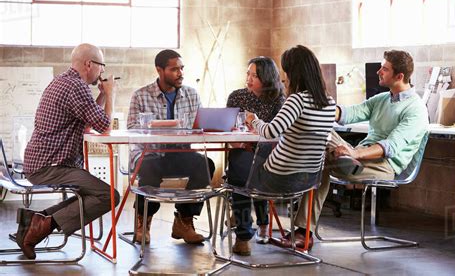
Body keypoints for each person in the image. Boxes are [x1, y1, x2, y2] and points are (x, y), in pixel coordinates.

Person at [285, 49, 429, 250]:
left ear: (400, 76)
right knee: (323, 138)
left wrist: (354, 153)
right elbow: (351, 113)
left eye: (384, 69)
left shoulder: (416, 109)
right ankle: (303, 231)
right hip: (359, 157)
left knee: (321, 158)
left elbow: (391, 146)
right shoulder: (382, 99)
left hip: (386, 167)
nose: (379, 71)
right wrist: (320, 109)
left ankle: (303, 231)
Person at [230, 45, 336, 255]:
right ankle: (259, 227)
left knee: (238, 167)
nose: (284, 76)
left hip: (276, 178)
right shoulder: (329, 103)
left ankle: (243, 234)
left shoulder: (295, 100)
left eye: (286, 70)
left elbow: (270, 132)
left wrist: (253, 119)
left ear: (294, 72)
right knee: (245, 164)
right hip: (307, 180)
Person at [17, 43, 120, 259]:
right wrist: (110, 94)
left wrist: (101, 96)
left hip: (41, 163)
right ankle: (40, 226)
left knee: (91, 192)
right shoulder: (76, 87)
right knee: (108, 195)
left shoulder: (64, 82)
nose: (102, 71)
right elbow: (104, 126)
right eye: (101, 66)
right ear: (89, 64)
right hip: (51, 167)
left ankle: (34, 221)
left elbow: (87, 122)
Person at [127, 49, 215, 245]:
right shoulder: (140, 96)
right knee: (149, 168)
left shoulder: (192, 95)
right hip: (149, 154)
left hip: (179, 152)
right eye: (174, 69)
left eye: (182, 68)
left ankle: (184, 220)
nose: (180, 73)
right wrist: (156, 130)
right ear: (159, 70)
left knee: (205, 165)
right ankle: (143, 222)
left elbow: (198, 127)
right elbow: (132, 130)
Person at [226, 56, 285, 252]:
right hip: (244, 150)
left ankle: (260, 224)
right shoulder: (237, 97)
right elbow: (229, 127)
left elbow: (278, 133)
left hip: (271, 155)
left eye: (255, 76)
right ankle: (244, 234)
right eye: (248, 74)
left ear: (267, 78)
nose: (249, 79)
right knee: (240, 166)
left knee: (249, 168)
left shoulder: (279, 99)